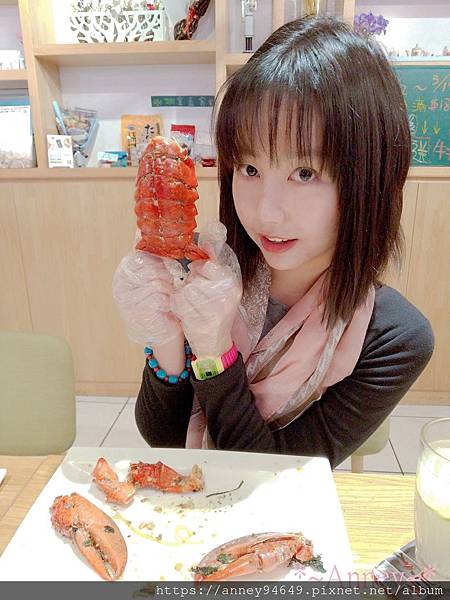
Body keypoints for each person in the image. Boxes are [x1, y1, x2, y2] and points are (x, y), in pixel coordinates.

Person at [112, 15, 434, 469]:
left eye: (305, 173)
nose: (266, 212)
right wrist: (165, 338)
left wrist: (215, 350)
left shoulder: (394, 337)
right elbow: (163, 438)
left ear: (370, 179)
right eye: (250, 169)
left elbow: (277, 472)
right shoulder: (204, 269)